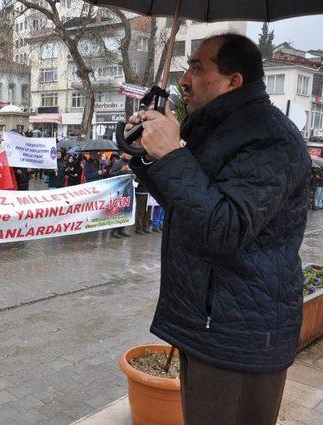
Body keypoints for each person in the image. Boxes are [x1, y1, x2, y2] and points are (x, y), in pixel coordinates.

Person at [126, 34, 310, 425]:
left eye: (197, 68)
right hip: (211, 321)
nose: (185, 79)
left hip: (240, 333)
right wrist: (145, 154)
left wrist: (174, 154)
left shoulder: (269, 138)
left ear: (233, 81)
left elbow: (223, 228)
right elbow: (188, 201)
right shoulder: (217, 128)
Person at [107, 152, 132, 239]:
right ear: (124, 153)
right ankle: (114, 230)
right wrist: (121, 171)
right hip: (118, 191)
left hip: (128, 190)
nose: (130, 155)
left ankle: (122, 229)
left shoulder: (130, 163)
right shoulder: (118, 163)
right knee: (118, 211)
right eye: (129, 154)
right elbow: (111, 175)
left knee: (125, 210)